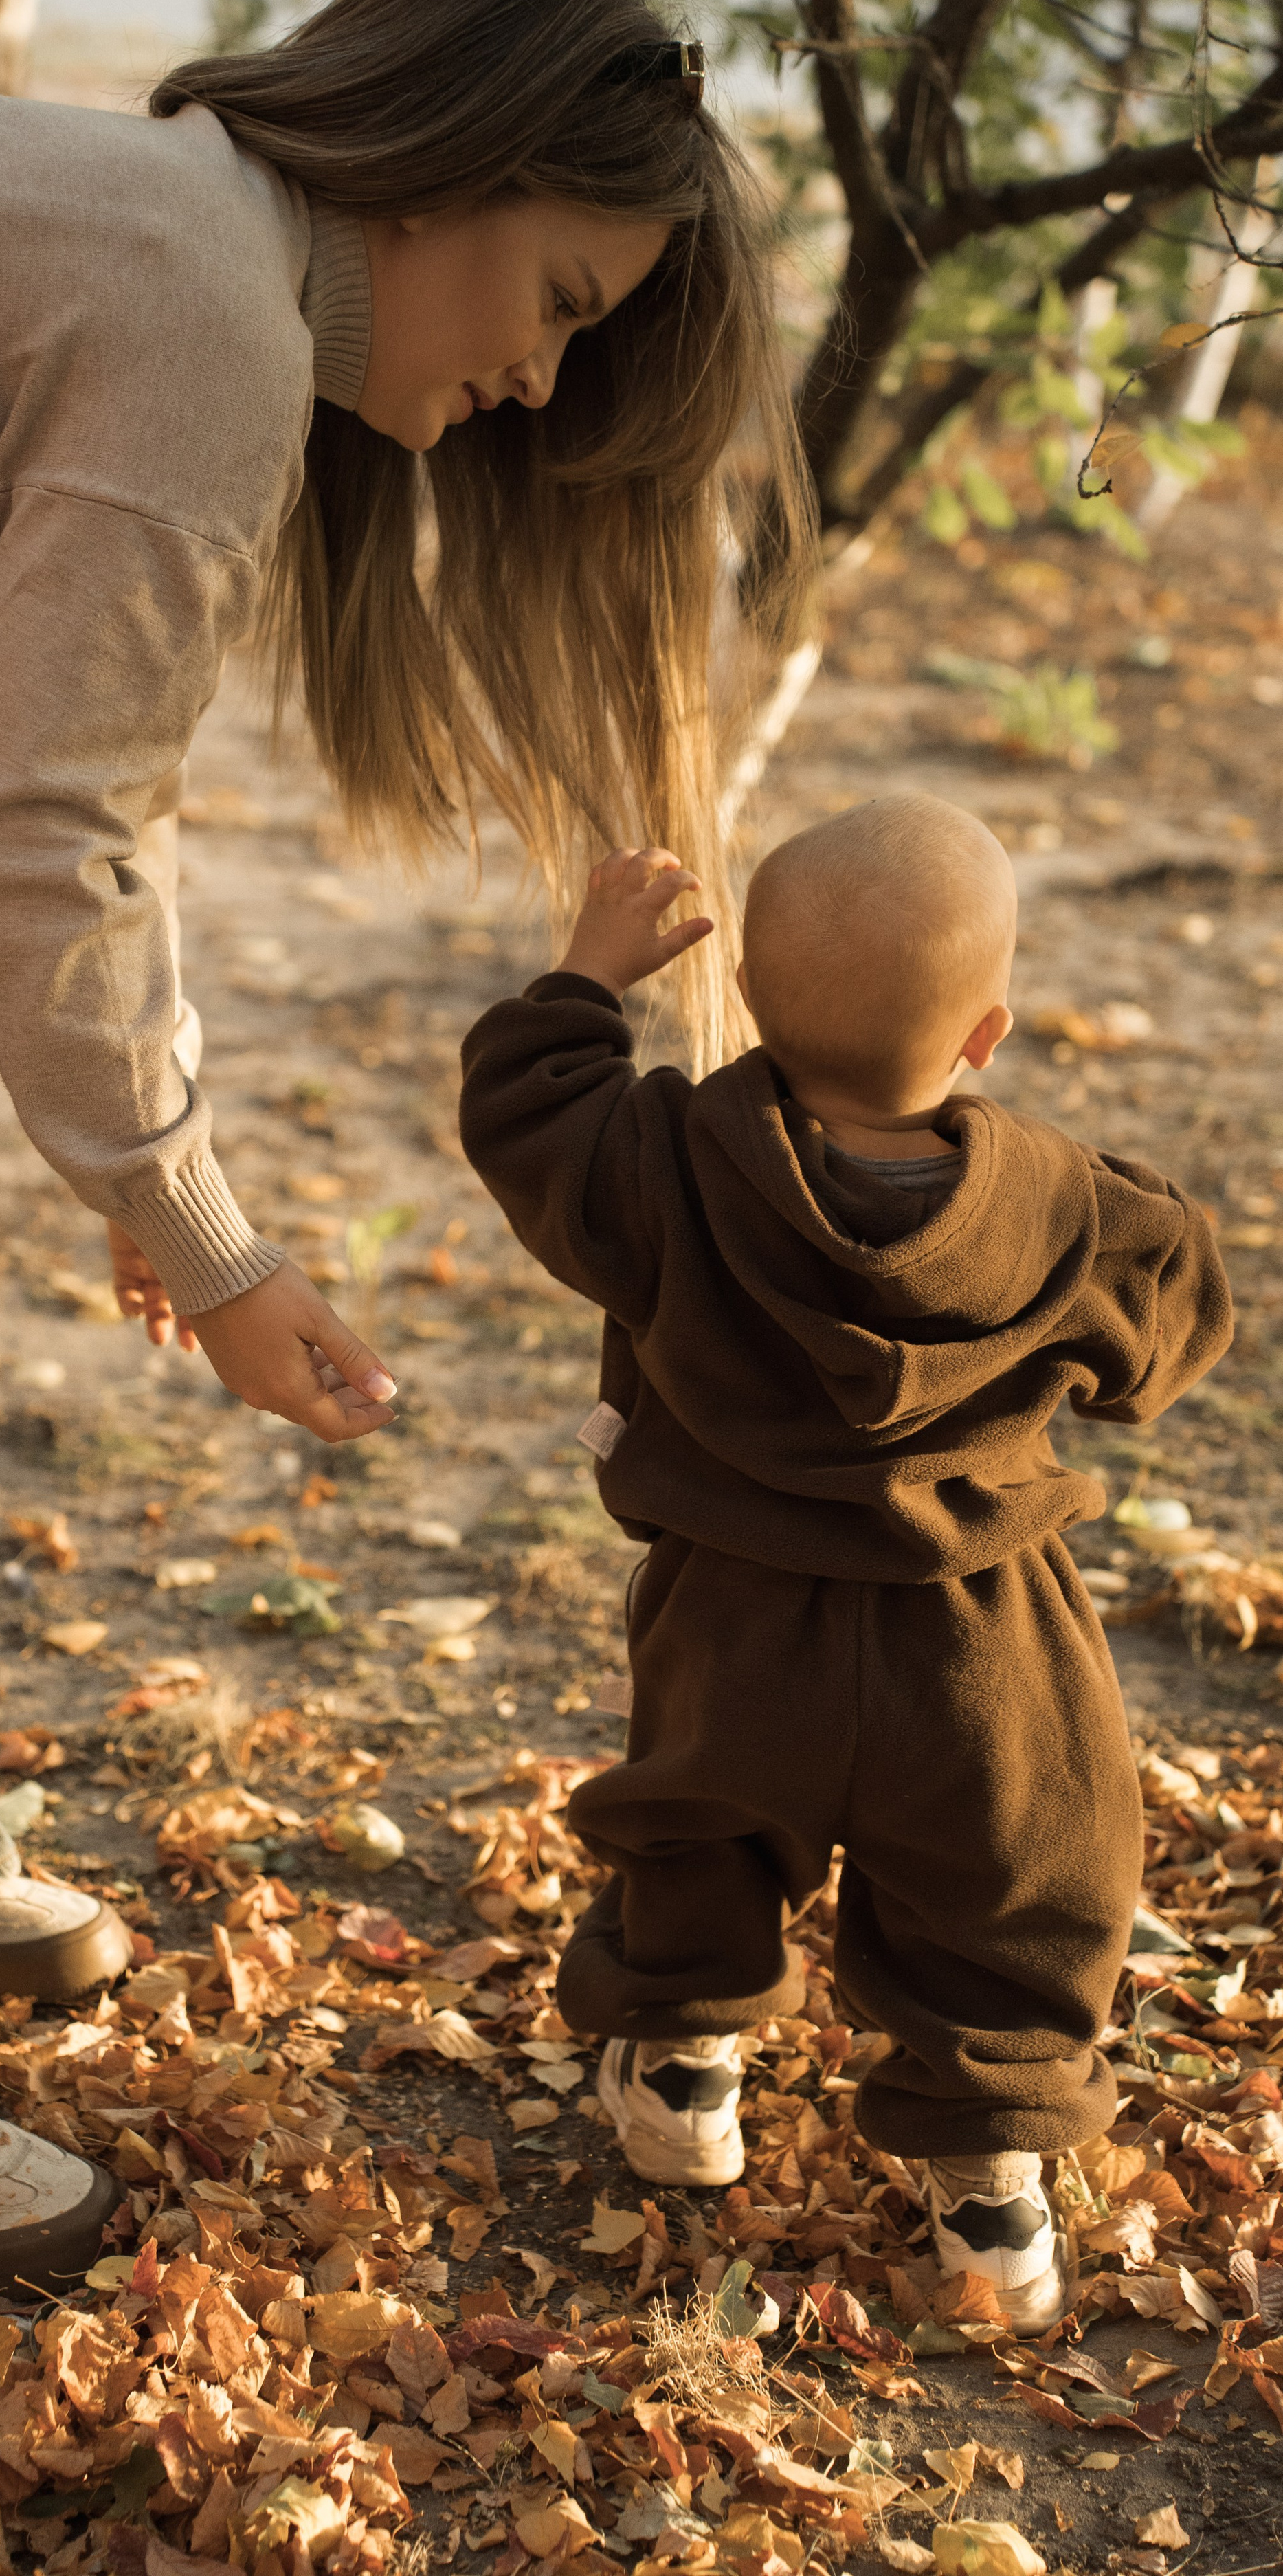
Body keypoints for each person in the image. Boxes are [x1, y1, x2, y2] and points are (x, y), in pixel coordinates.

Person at [0, 0, 814, 2284]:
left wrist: (155, 1162)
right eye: (557, 297)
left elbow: (85, 785)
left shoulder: (177, 239)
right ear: (445, 176)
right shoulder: (207, 314)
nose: (539, 379)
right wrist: (209, 1241)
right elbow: (35, 829)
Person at [458, 796, 1231, 2333]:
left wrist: (585, 978)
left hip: (733, 1620)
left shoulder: (664, 1165)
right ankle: (991, 2202)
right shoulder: (1072, 1208)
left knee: (695, 1832)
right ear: (989, 1032)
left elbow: (527, 1111)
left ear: (743, 999)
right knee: (1011, 1893)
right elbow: (1172, 1328)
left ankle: (681, 2073)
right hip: (980, 1637)